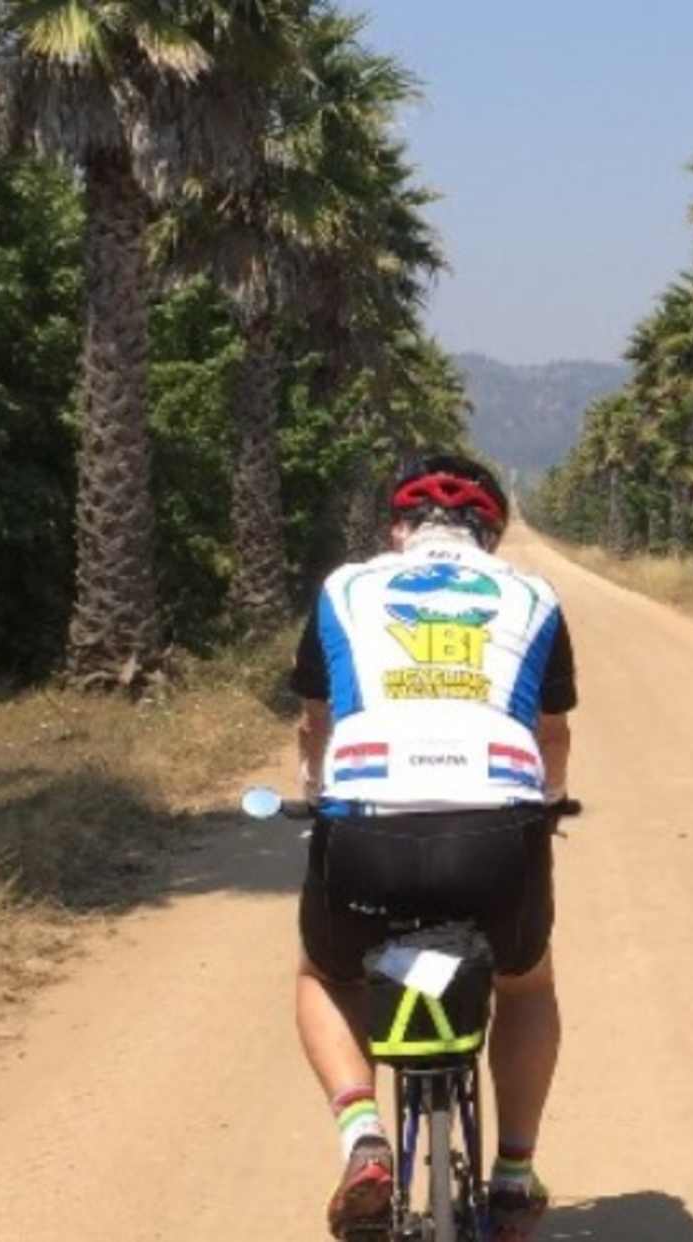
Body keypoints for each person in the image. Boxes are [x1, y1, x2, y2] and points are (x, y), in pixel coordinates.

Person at [289, 453, 576, 1241]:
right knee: (524, 983)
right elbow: (551, 734)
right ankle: (513, 1176)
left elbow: (318, 722)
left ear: (398, 529)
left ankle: (365, 1139)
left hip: (366, 829)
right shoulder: (532, 593)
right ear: (492, 531)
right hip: (497, 833)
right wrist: (546, 810)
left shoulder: (343, 588)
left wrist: (317, 794)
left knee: (325, 971)